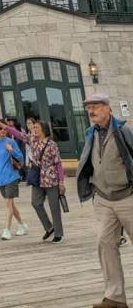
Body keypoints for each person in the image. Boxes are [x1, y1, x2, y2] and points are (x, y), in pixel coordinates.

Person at [77, 92, 133, 308]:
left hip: (127, 196)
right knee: (105, 243)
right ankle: (115, 297)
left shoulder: (124, 131)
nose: (91, 111)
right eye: (88, 107)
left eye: (96, 106)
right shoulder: (91, 133)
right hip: (103, 198)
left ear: (109, 108)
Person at [0, 117, 66, 243]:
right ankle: (49, 227)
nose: (34, 129)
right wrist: (5, 126)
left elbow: (58, 164)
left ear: (44, 130)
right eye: (33, 127)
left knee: (54, 206)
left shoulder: (52, 145)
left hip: (51, 178)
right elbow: (19, 134)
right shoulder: (32, 140)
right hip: (37, 177)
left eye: (36, 127)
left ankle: (59, 233)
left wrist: (61, 182)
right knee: (35, 202)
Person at [0, 119, 26, 240]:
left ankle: (7, 230)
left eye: (5, 128)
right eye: (0, 128)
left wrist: (11, 150)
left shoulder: (11, 141)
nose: (3, 131)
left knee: (8, 204)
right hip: (0, 179)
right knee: (11, 204)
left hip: (11, 177)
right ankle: (22, 225)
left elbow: (21, 158)